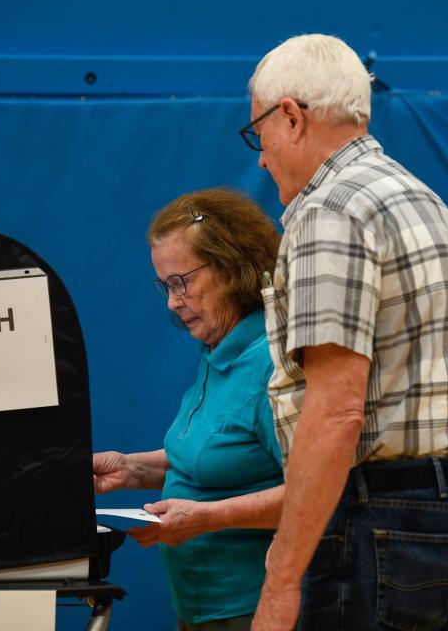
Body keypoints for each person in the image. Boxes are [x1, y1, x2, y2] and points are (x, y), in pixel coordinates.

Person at [240, 34, 448, 631]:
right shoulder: (420, 196)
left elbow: (335, 411)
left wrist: (280, 581)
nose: (260, 156)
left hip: (380, 517)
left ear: (291, 117)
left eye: (260, 133)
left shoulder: (329, 211)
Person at [93, 187, 286, 631]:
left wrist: (205, 519)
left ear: (231, 269)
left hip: (252, 608)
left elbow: (315, 495)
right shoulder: (217, 352)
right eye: (165, 285)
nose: (171, 301)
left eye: (182, 282)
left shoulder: (270, 365)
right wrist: (132, 470)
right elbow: (221, 458)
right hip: (200, 608)